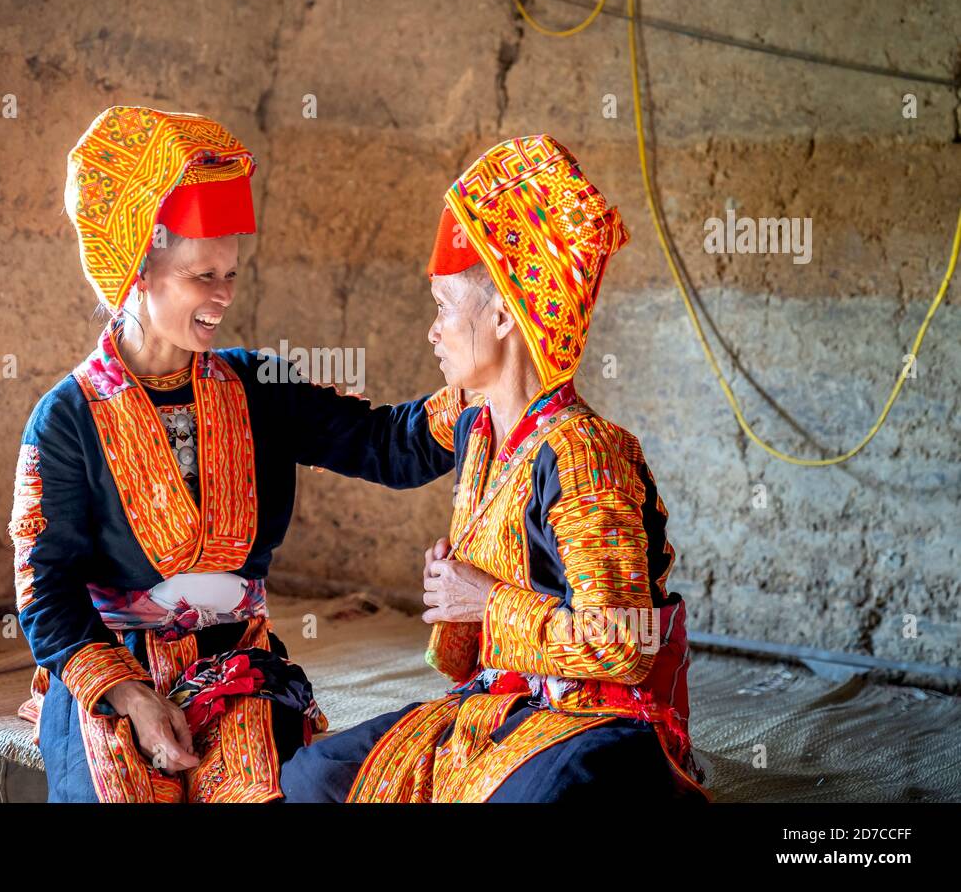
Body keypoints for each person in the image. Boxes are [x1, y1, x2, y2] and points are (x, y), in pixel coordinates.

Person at [9, 105, 469, 802]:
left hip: (237, 668)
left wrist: (485, 384)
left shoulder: (259, 385)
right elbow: (46, 593)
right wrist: (134, 698)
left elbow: (389, 447)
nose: (223, 296)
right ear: (137, 273)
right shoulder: (66, 419)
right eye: (202, 276)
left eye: (229, 273)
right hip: (113, 674)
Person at [280, 134, 713, 802]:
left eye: (443, 307)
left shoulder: (585, 454)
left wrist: (483, 600)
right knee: (313, 778)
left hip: (599, 720)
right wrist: (255, 394)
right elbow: (383, 442)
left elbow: (625, 647)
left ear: (505, 312)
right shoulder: (473, 420)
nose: (432, 331)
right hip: (501, 704)